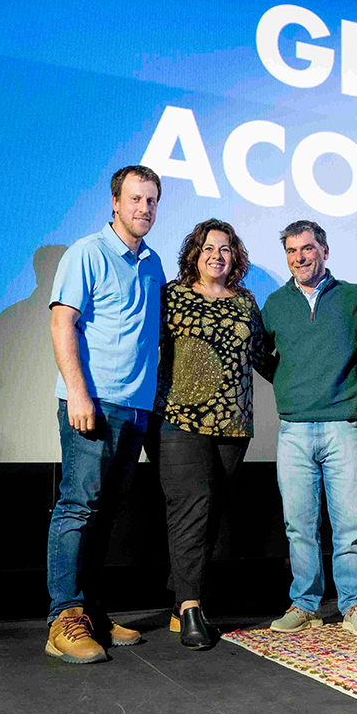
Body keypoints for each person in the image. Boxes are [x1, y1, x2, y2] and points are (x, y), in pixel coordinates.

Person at [45, 164, 165, 664]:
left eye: (152, 201)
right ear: (115, 203)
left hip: (135, 408)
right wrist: (77, 392)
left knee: (105, 513)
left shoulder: (154, 262)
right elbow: (62, 320)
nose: (144, 208)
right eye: (135, 199)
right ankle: (63, 618)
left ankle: (92, 611)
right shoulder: (87, 252)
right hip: (93, 402)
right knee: (77, 506)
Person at [259, 220, 357, 637]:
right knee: (299, 525)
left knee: (350, 524)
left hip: (343, 427)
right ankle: (305, 604)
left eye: (307, 249)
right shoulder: (274, 303)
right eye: (292, 251)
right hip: (294, 429)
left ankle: (354, 605)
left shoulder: (354, 298)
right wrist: (290, 387)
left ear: (324, 251)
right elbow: (263, 355)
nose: (300, 258)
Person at [152, 219, 264, 650]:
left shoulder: (246, 302)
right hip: (179, 419)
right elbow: (147, 348)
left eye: (225, 248)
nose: (217, 255)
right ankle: (192, 608)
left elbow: (263, 356)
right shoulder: (173, 296)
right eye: (208, 248)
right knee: (191, 508)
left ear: (235, 257)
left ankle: (181, 602)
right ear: (194, 255)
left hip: (233, 426)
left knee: (209, 512)